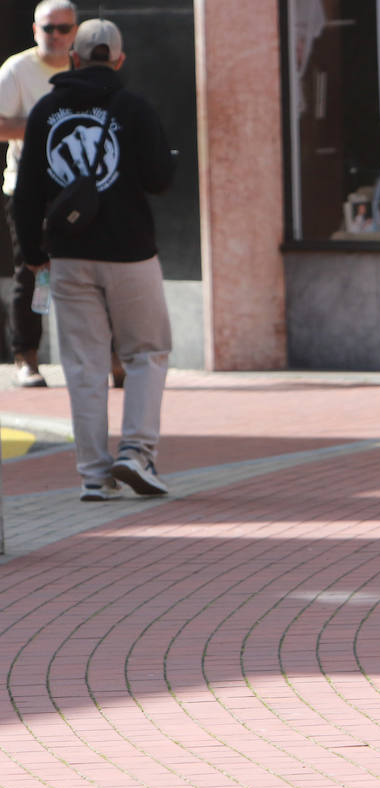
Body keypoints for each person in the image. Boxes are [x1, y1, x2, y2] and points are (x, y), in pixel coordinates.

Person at [12, 18, 176, 502]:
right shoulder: (134, 107)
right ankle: (136, 452)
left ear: (74, 58)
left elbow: (27, 192)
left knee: (83, 364)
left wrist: (34, 253)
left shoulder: (45, 111)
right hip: (130, 253)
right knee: (146, 352)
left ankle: (93, 475)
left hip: (69, 253)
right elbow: (160, 180)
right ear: (119, 60)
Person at [0, 0, 79, 387]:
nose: (56, 36)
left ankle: (106, 356)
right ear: (35, 30)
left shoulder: (84, 68)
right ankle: (26, 357)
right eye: (49, 29)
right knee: (31, 274)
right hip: (28, 189)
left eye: (64, 29)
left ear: (75, 32)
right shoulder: (17, 69)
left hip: (80, 191)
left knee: (92, 271)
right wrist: (47, 124)